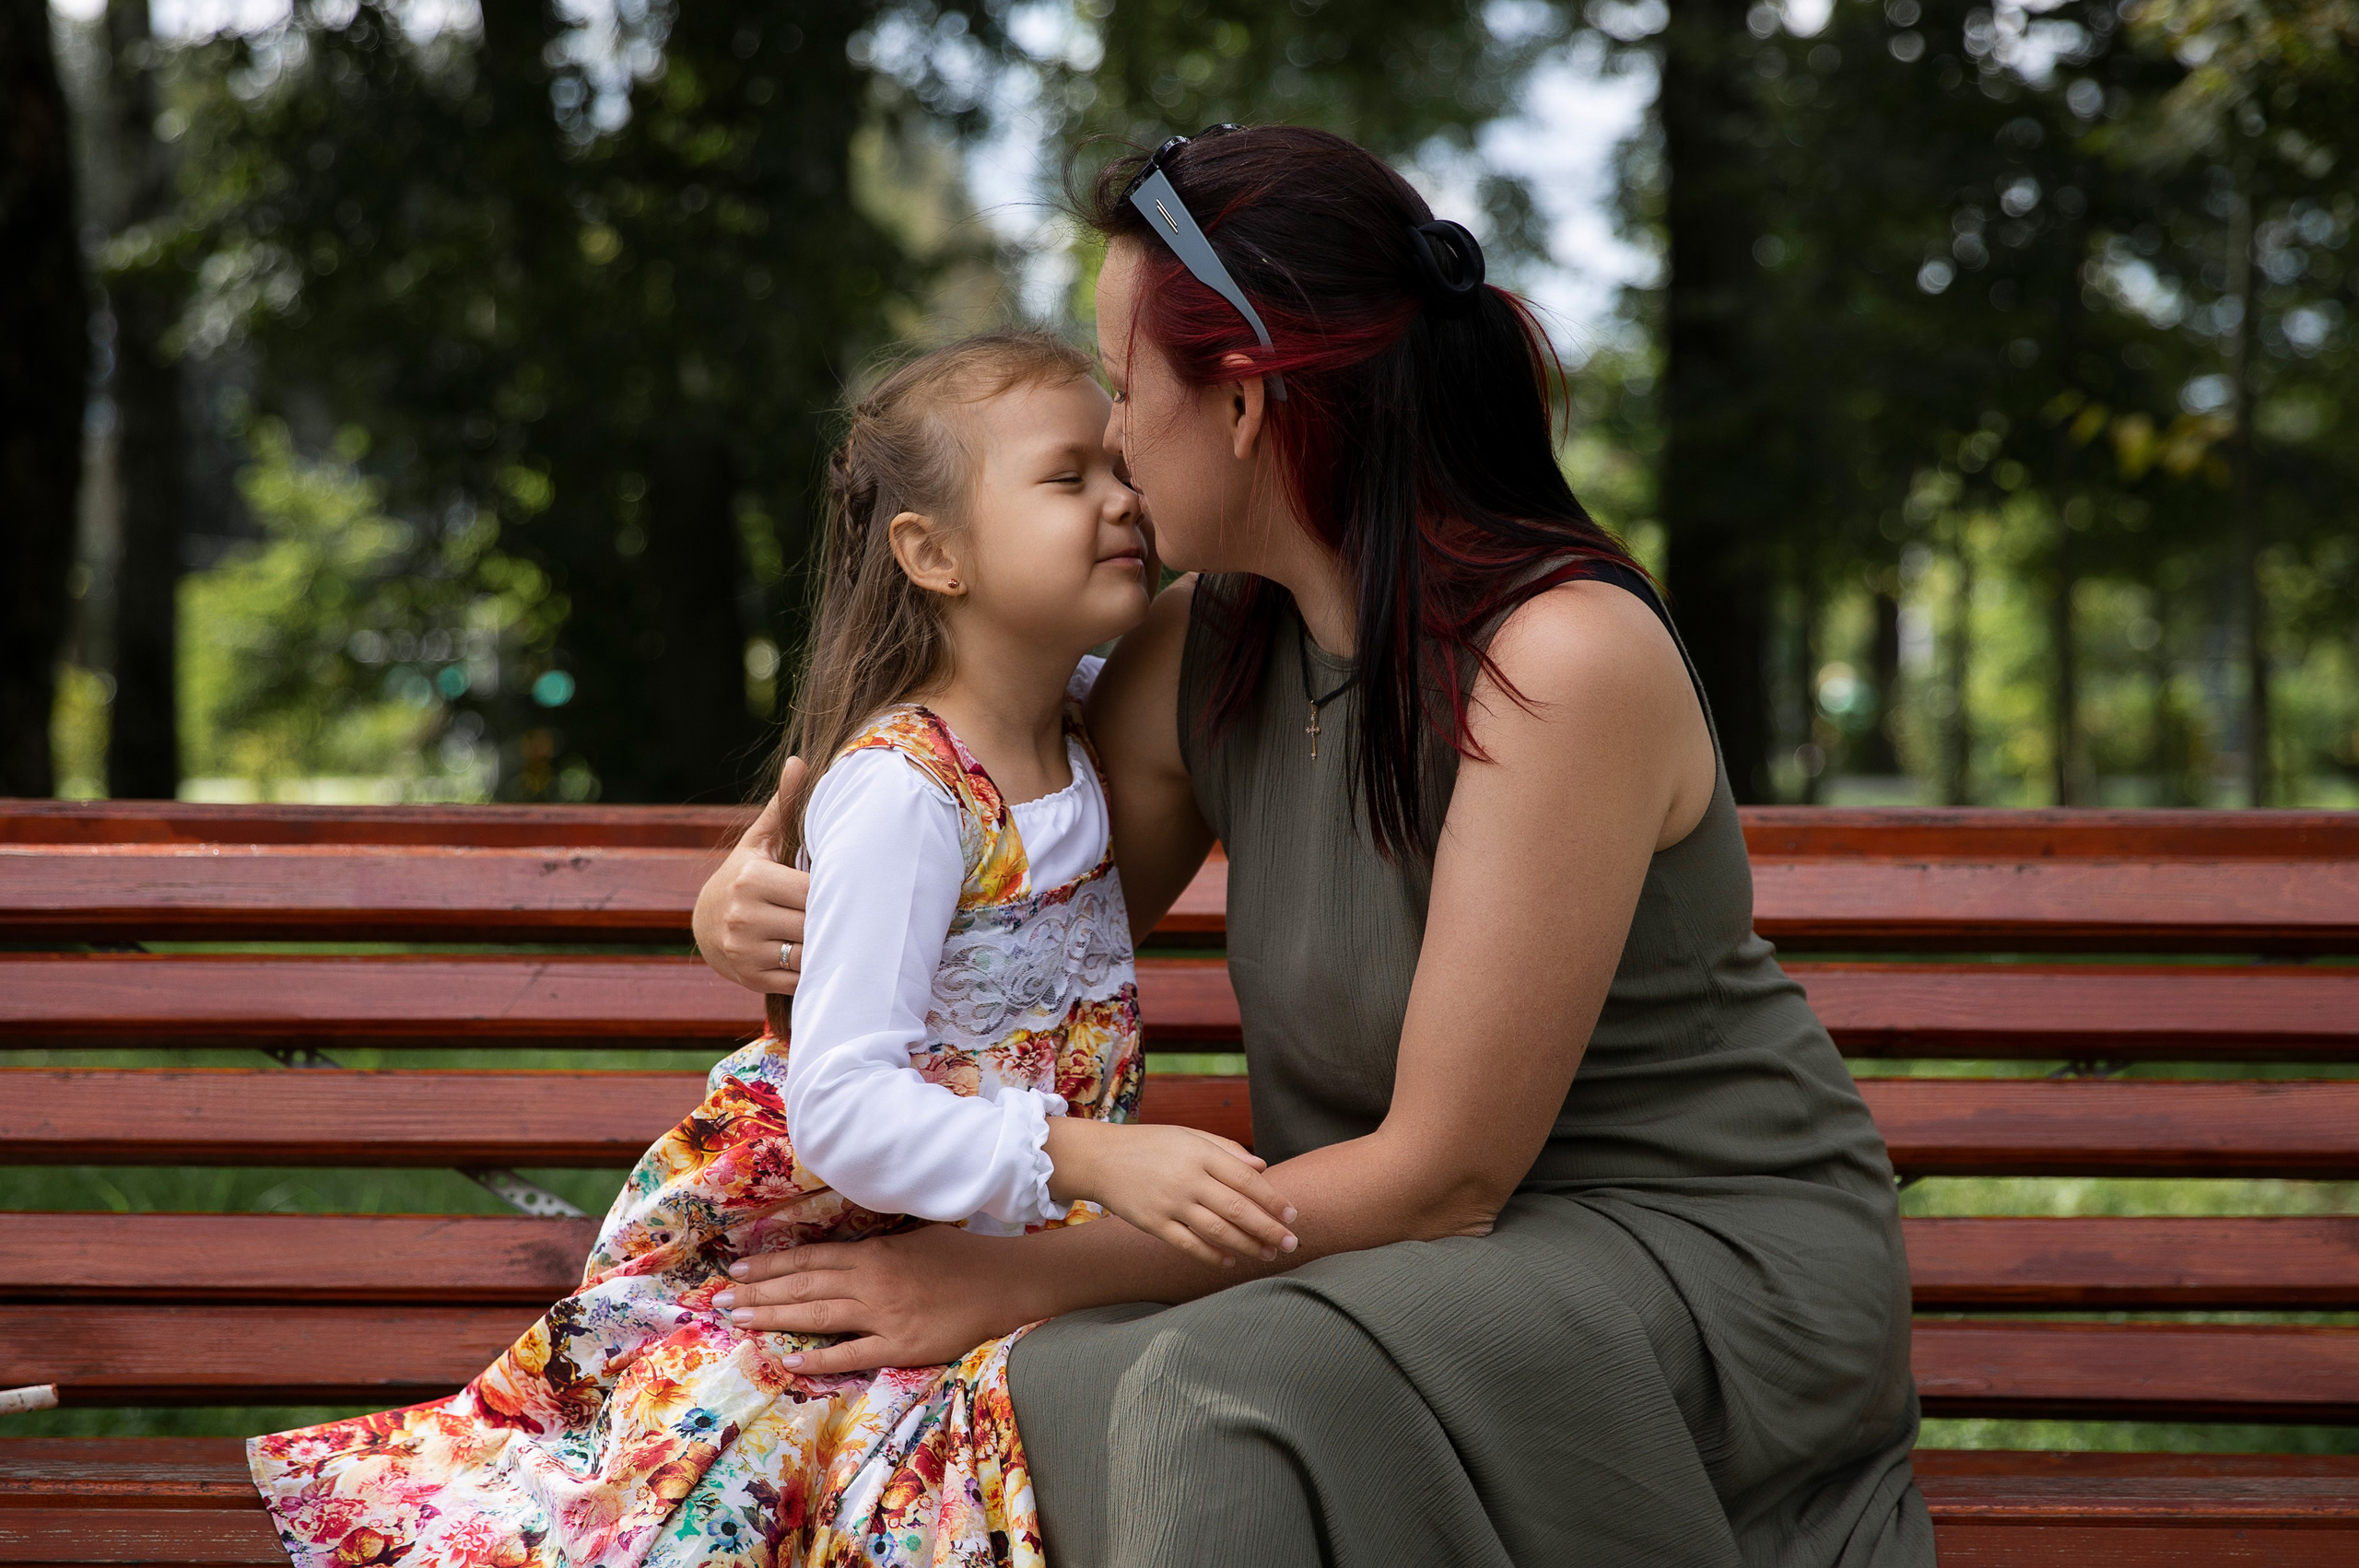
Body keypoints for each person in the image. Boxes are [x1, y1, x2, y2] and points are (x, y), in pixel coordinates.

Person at [697, 126, 1932, 1565]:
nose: (1111, 433)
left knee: (1223, 1397)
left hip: (1687, 1266)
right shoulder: (1212, 648)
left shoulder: (1561, 659)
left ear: (1242, 406)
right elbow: (978, 910)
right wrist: (760, 909)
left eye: (1125, 380)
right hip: (1372, 1273)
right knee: (1037, 1396)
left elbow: (1441, 1178)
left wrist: (987, 1273)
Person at [247, 331, 1297, 1568]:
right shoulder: (908, 793)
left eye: (1117, 467)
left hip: (979, 1253)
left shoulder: (1073, 723)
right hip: (811, 1254)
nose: (1124, 497)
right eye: (1069, 477)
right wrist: (1086, 1154)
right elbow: (842, 1106)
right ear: (933, 552)